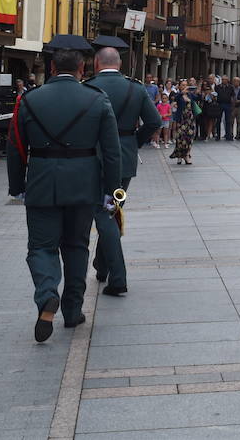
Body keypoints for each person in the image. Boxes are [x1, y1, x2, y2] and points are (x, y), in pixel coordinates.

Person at [8, 37, 121, 341]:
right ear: (83, 69)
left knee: (41, 247)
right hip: (84, 183)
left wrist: (17, 186)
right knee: (76, 246)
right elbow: (111, 152)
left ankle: (47, 294)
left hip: (42, 182)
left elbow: (17, 147)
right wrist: (113, 189)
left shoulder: (30, 99)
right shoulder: (97, 99)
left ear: (53, 67)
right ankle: (72, 310)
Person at [87, 45, 160, 297]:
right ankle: (102, 264)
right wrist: (134, 142)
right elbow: (154, 121)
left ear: (97, 63)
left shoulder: (89, 86)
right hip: (125, 158)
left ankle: (117, 277)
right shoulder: (136, 88)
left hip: (92, 156)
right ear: (119, 64)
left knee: (104, 214)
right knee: (111, 210)